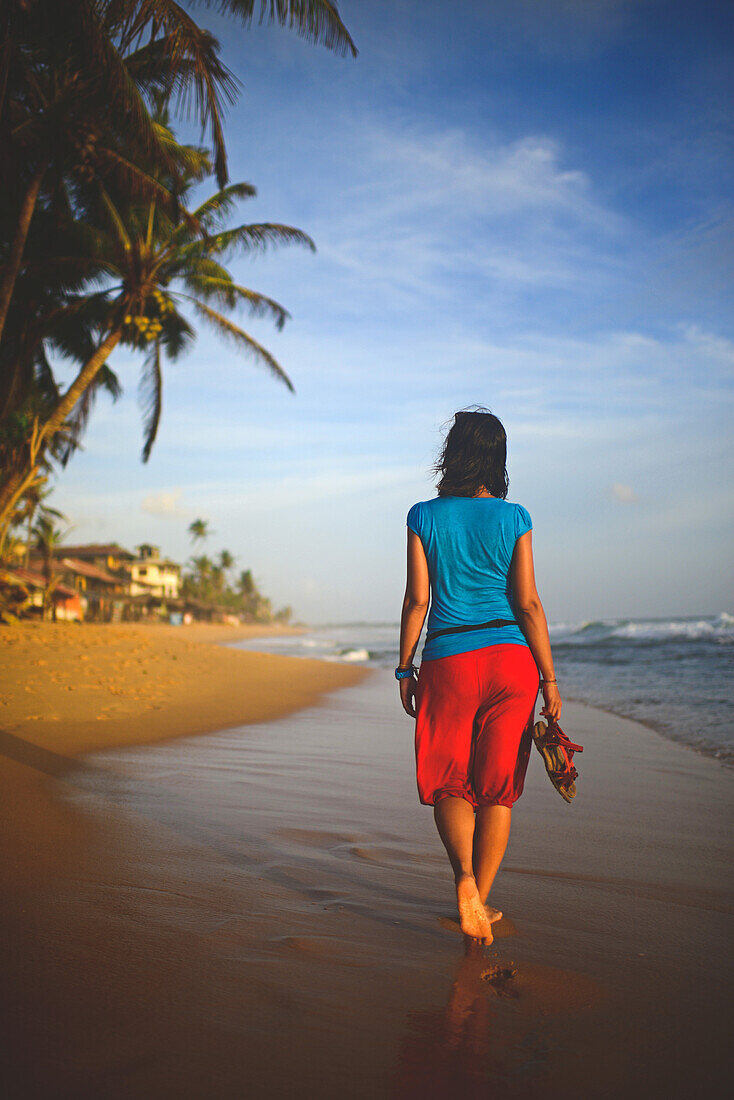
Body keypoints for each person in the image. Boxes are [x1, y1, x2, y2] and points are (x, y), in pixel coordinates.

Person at [397, 408, 562, 945]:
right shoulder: (516, 517)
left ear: (453, 452)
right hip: (512, 661)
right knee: (496, 790)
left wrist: (405, 666)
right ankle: (481, 901)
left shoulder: (424, 516)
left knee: (448, 780)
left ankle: (464, 881)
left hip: (448, 660)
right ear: (498, 457)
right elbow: (529, 602)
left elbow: (418, 599)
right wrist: (550, 678)